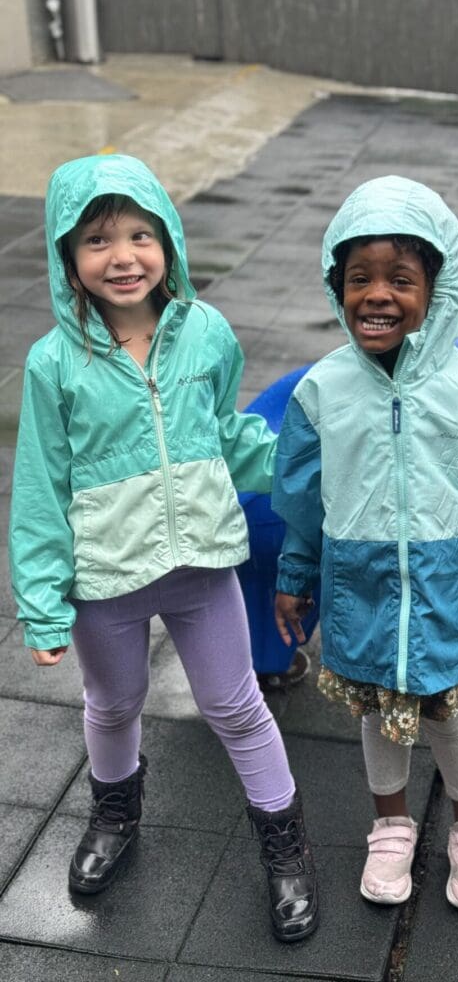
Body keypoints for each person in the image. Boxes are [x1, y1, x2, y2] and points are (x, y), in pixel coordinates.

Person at [8, 153, 318, 942]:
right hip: (105, 579)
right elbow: (42, 487)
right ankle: (116, 816)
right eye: (98, 240)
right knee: (113, 704)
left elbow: (227, 434)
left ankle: (285, 847)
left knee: (236, 706)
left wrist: (301, 469)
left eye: (141, 234)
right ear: (66, 257)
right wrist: (42, 601)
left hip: (202, 565)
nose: (123, 256)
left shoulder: (204, 333)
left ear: (170, 242)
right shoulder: (56, 364)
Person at [272, 176, 458, 912]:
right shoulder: (320, 390)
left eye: (400, 279)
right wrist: (296, 571)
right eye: (359, 279)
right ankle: (390, 824)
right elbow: (299, 499)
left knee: (449, 711)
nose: (378, 295)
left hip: (445, 582)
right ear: (337, 288)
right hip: (358, 583)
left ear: (437, 289)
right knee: (373, 711)